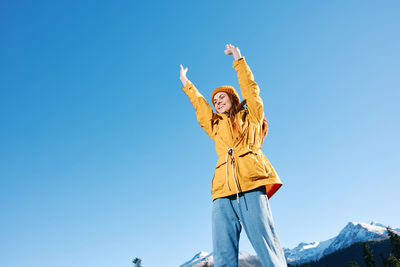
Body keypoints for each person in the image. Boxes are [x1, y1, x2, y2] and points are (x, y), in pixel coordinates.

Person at [179, 44, 287, 267]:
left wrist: (238, 60)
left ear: (232, 98)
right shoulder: (215, 127)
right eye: (215, 101)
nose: (217, 102)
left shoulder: (252, 116)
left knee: (267, 246)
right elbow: (201, 107)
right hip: (222, 192)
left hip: (250, 184)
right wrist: (186, 84)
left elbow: (251, 89)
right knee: (223, 253)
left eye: (221, 97)